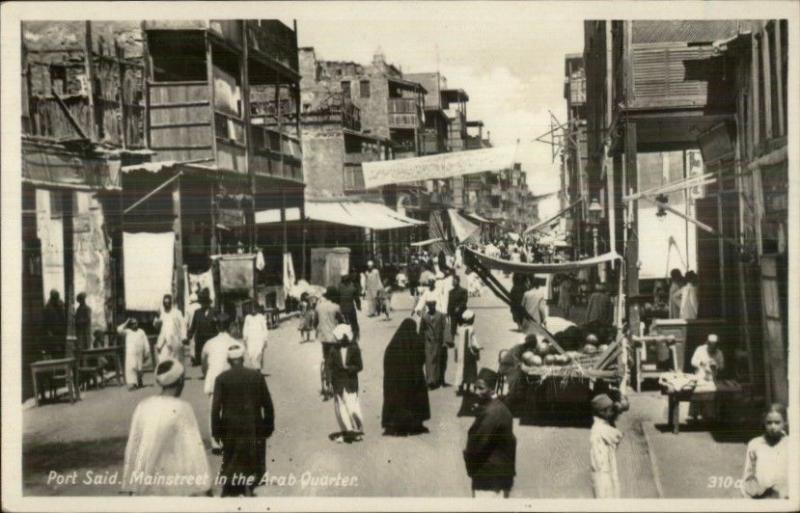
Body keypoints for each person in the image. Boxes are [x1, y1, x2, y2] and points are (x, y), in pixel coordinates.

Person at [121, 359, 212, 496]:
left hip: (145, 483)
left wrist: (130, 482)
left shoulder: (143, 406)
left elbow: (133, 446)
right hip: (174, 480)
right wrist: (205, 485)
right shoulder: (183, 408)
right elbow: (194, 449)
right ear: (181, 381)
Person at [211, 343, 275, 497]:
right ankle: (248, 488)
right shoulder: (256, 376)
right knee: (251, 457)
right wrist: (268, 426)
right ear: (243, 358)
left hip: (230, 427)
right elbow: (267, 404)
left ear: (228, 360)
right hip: (253, 426)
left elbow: (215, 409)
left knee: (233, 458)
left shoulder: (221, 379)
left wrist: (216, 432)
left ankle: (234, 489)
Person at [463, 368, 516, 498]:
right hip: (499, 474)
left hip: (489, 478)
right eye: (475, 388)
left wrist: (467, 458)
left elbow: (477, 444)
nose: (476, 392)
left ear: (492, 389)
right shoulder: (498, 407)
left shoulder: (492, 413)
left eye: (481, 388)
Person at [382, 319, 431, 436]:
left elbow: (387, 362)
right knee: (416, 399)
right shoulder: (417, 341)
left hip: (396, 381)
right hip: (414, 378)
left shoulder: (393, 344)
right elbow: (422, 358)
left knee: (398, 400)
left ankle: (397, 425)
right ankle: (415, 423)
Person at [202, 312, 238, 451]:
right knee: (230, 410)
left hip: (214, 380)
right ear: (229, 326)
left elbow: (203, 363)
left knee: (213, 411)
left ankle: (215, 442)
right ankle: (229, 440)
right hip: (230, 381)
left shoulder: (209, 344)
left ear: (217, 326)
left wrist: (207, 374)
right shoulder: (235, 343)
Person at [741, 403, 789, 499]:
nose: (773, 427)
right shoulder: (754, 444)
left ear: (785, 422)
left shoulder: (791, 444)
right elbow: (748, 474)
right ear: (764, 422)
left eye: (777, 422)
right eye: (769, 422)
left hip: (785, 498)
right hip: (760, 498)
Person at [328, 324, 364, 443]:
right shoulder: (334, 350)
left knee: (352, 406)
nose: (338, 340)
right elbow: (330, 367)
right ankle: (347, 431)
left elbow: (359, 366)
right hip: (338, 381)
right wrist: (329, 382)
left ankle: (357, 429)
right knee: (341, 407)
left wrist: (349, 368)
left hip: (350, 381)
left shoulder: (354, 348)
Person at [590, 393, 623, 498]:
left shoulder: (602, 424)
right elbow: (617, 436)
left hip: (605, 470)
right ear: (602, 412)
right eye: (610, 410)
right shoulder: (600, 428)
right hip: (603, 475)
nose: (612, 412)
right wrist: (616, 414)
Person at [689, 333, 725, 423]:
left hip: (712, 378)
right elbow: (693, 361)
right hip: (700, 376)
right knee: (696, 393)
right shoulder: (700, 349)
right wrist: (701, 363)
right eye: (711, 345)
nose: (712, 348)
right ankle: (694, 415)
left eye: (714, 346)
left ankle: (709, 417)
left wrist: (716, 366)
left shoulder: (719, 352)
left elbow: (722, 366)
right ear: (707, 343)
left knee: (711, 395)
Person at [316, 287, 344, 400]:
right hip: (334, 339)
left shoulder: (318, 307)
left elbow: (315, 321)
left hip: (324, 339)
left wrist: (317, 329)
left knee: (327, 358)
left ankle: (327, 384)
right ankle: (337, 383)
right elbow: (341, 321)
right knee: (337, 360)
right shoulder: (336, 307)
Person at [419, 299, 447, 389]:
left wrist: (445, 341)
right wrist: (420, 342)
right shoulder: (424, 317)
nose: (432, 308)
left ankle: (436, 380)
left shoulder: (441, 316)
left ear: (435, 305)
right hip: (427, 342)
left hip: (438, 342)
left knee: (436, 361)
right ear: (428, 307)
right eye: (430, 306)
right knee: (428, 361)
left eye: (433, 306)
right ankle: (430, 381)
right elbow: (421, 330)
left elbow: (445, 328)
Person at [455, 310, 482, 396]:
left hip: (461, 353)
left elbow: (457, 342)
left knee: (460, 369)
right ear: (470, 319)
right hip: (469, 352)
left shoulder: (460, 329)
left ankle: (460, 388)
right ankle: (468, 388)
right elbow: (473, 340)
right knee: (470, 370)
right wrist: (478, 347)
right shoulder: (471, 329)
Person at [188, 289, 217, 366]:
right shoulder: (197, 312)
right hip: (200, 339)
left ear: (208, 303)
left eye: (205, 302)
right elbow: (193, 326)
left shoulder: (214, 312)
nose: (203, 304)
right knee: (202, 358)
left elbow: (218, 325)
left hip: (211, 338)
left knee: (212, 357)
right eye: (202, 302)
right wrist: (189, 335)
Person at [118, 318, 149, 390]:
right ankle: (133, 384)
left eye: (136, 323)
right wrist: (127, 321)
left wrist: (147, 351)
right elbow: (119, 329)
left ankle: (139, 381)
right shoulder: (127, 331)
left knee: (139, 367)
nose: (135, 325)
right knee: (131, 367)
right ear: (130, 325)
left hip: (139, 352)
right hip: (130, 353)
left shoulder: (141, 331)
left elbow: (145, 341)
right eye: (132, 324)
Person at [155, 294, 187, 363]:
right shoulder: (161, 314)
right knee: (163, 361)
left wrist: (184, 337)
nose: (166, 304)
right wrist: (157, 317)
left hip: (175, 340)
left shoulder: (177, 312)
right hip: (164, 343)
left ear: (171, 303)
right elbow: (157, 327)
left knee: (176, 361)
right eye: (165, 303)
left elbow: (183, 325)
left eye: (168, 303)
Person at [242, 303, 269, 372]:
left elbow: (264, 328)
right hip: (251, 339)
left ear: (257, 309)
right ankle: (255, 368)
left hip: (259, 338)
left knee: (259, 352)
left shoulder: (261, 317)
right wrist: (245, 337)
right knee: (251, 353)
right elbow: (245, 328)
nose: (253, 310)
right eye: (251, 309)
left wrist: (265, 339)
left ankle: (258, 369)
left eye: (255, 309)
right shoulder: (248, 317)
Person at [43, 289, 67, 358]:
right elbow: (46, 322)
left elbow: (63, 317)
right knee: (56, 351)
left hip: (61, 332)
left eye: (57, 297)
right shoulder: (48, 307)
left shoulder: (60, 305)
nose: (57, 299)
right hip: (53, 333)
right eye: (55, 297)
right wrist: (49, 332)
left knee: (62, 350)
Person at [338, 272, 362, 340]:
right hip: (350, 308)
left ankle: (344, 337)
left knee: (342, 322)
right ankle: (356, 335)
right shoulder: (352, 287)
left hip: (342, 308)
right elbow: (357, 298)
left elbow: (337, 298)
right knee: (354, 322)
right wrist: (358, 306)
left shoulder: (339, 286)